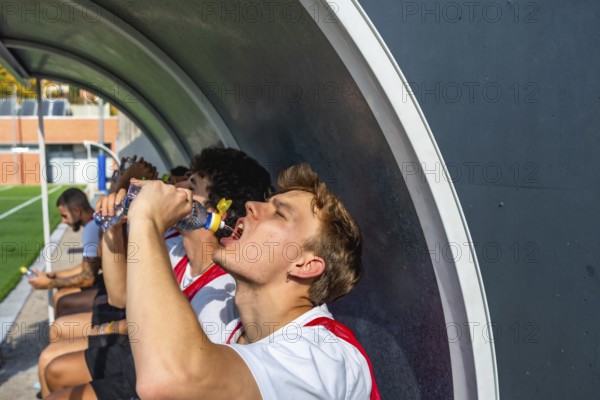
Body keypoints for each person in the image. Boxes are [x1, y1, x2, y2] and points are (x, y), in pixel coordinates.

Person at [125, 163, 380, 399]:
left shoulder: (326, 358)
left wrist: (146, 219)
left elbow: (168, 379)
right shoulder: (226, 316)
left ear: (305, 264)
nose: (250, 205)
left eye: (280, 214)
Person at [44, 148, 273, 400]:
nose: (177, 185)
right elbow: (119, 297)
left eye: (192, 184)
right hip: (145, 357)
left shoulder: (223, 290)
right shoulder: (176, 247)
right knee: (54, 367)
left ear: (218, 212)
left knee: (55, 369)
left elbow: (180, 380)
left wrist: (146, 218)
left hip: (157, 376)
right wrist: (114, 224)